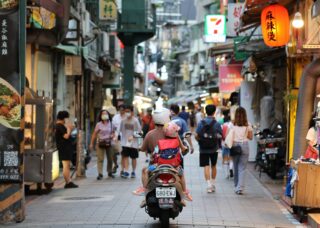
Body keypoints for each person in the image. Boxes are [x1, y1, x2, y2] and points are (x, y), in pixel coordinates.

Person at [196, 105, 222, 193]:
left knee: (206, 166)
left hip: (203, 148)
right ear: (214, 112)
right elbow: (221, 135)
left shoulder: (201, 123)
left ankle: (208, 185)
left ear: (205, 111)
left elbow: (196, 135)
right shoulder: (217, 123)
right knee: (213, 165)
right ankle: (213, 183)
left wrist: (200, 141)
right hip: (214, 148)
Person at [230, 107, 253, 195]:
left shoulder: (232, 124)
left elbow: (228, 136)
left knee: (235, 167)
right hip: (245, 145)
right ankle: (240, 188)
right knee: (242, 168)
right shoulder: (248, 125)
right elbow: (250, 138)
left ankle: (236, 186)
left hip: (235, 146)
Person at [55, 111, 78, 188]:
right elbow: (66, 136)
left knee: (67, 165)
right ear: (64, 118)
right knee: (66, 165)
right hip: (64, 148)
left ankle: (68, 181)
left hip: (65, 148)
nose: (67, 120)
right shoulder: (59, 126)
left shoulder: (59, 126)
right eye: (66, 118)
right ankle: (68, 182)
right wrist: (69, 129)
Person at [90, 110, 115, 180]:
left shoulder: (111, 124)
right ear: (101, 116)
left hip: (109, 143)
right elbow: (94, 134)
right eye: (103, 114)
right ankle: (100, 173)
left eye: (106, 113)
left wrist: (113, 135)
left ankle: (109, 171)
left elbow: (114, 132)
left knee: (110, 158)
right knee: (100, 158)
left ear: (108, 115)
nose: (104, 115)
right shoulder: (98, 124)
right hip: (100, 143)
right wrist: (91, 143)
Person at [119, 105, 141, 178]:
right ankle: (126, 171)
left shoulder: (135, 121)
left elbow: (140, 132)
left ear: (132, 112)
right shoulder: (123, 121)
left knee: (133, 158)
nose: (127, 113)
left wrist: (133, 136)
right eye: (126, 111)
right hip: (125, 142)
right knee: (125, 157)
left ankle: (133, 171)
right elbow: (120, 131)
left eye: (128, 111)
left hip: (134, 143)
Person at [112, 104, 126, 174]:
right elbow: (112, 128)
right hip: (116, 138)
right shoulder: (115, 117)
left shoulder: (127, 117)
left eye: (123, 110)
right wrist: (113, 135)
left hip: (124, 139)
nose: (121, 111)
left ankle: (122, 169)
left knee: (123, 154)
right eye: (120, 110)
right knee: (113, 153)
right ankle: (115, 164)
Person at [221, 109, 233, 178]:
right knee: (231, 158)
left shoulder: (223, 125)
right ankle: (231, 168)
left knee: (225, 158)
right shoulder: (231, 125)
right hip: (231, 143)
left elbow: (222, 135)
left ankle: (227, 174)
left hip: (224, 143)